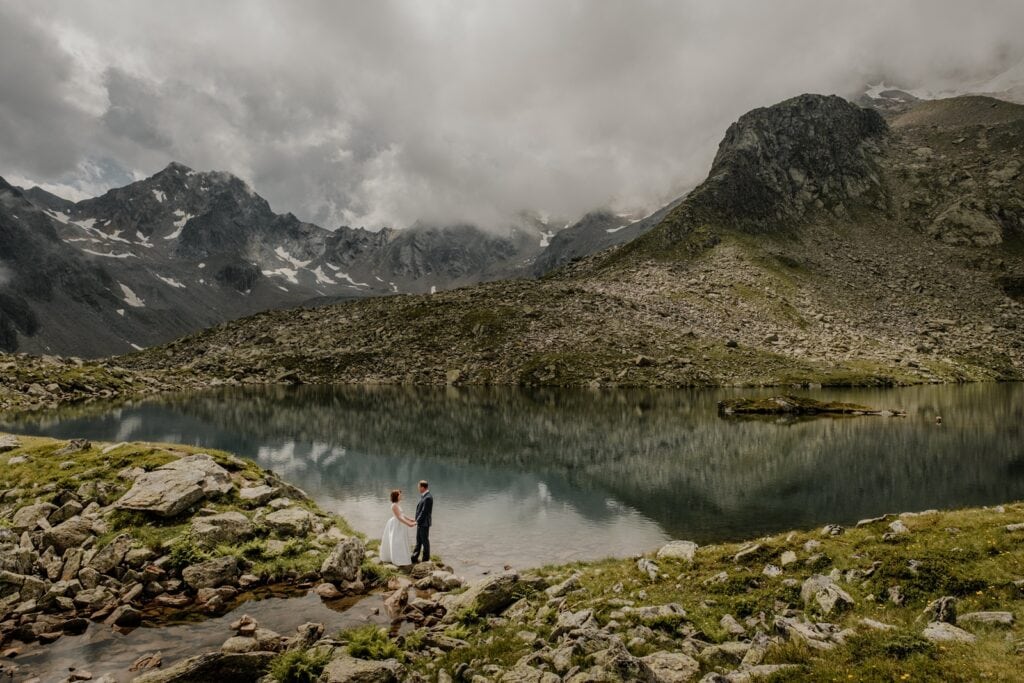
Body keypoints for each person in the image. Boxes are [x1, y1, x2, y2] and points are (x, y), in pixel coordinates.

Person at [380, 489, 416, 567]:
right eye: (400, 494)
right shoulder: (394, 505)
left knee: (402, 541)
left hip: (400, 524)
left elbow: (402, 514)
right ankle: (398, 559)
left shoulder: (397, 504)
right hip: (397, 525)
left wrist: (409, 519)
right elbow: (399, 517)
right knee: (397, 541)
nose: (401, 496)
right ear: (396, 496)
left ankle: (403, 557)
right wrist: (409, 524)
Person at [410, 480, 433, 564]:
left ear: (423, 487)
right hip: (421, 522)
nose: (418, 489)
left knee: (424, 541)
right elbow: (420, 511)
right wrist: (416, 520)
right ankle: (414, 557)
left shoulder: (428, 498)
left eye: (419, 487)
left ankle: (426, 559)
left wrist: (416, 522)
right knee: (418, 541)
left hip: (424, 523)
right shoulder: (425, 496)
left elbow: (424, 512)